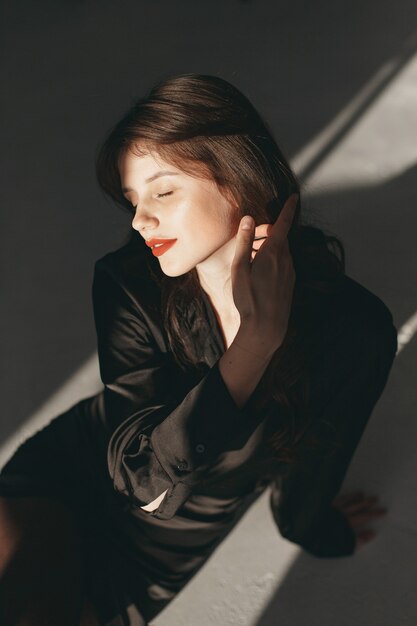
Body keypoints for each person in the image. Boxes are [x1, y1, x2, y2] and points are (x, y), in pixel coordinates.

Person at [0, 73, 397, 626]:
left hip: (159, 545)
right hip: (74, 466)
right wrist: (252, 346)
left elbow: (319, 453)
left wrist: (309, 527)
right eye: (132, 198)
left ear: (242, 181)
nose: (139, 220)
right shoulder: (126, 282)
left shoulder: (355, 329)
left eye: (163, 191)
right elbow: (138, 471)